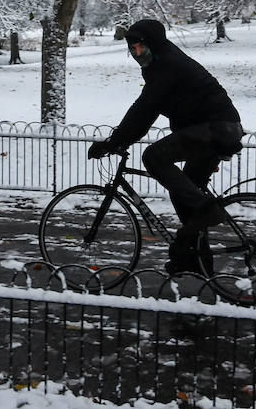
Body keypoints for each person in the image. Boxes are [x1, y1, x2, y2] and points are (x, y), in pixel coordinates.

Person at [87, 18, 246, 273]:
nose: (137, 53)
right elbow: (146, 114)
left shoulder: (167, 65)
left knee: (154, 157)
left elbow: (143, 110)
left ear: (154, 44)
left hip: (216, 129)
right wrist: (119, 140)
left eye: (141, 47)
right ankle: (194, 259)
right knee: (185, 194)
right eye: (133, 49)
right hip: (219, 128)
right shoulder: (160, 65)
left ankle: (206, 211)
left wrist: (113, 143)